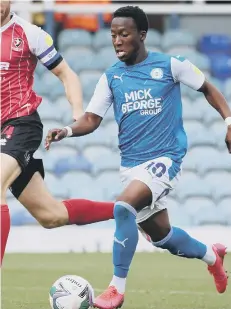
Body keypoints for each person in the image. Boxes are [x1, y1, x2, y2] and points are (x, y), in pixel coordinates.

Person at [46, 6, 230, 309]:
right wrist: (66, 130)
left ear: (141, 35)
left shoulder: (171, 65)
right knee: (163, 237)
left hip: (165, 159)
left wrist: (228, 122)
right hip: (131, 166)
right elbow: (91, 119)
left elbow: (209, 89)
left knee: (122, 207)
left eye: (125, 34)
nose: (117, 40)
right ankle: (213, 255)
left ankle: (115, 290)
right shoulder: (112, 77)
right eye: (114, 35)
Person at [0, 1, 115, 266]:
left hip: (20, 124)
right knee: (51, 215)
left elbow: (66, 74)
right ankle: (128, 210)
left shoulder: (30, 34)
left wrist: (77, 112)